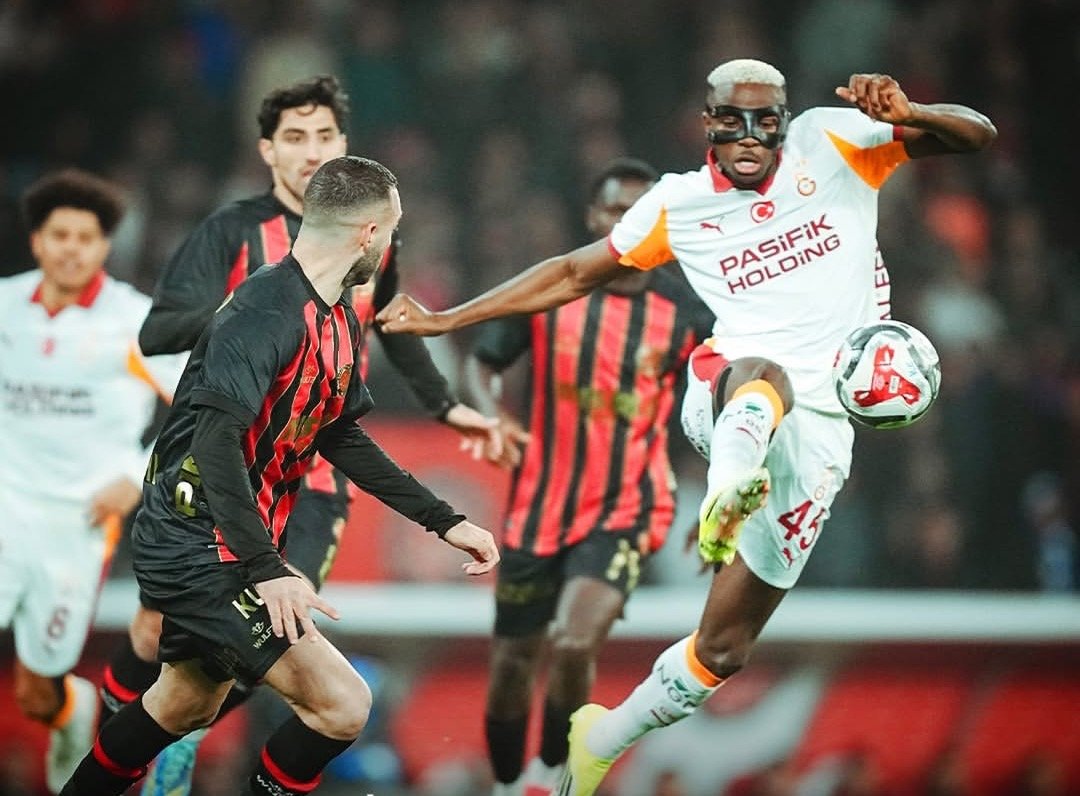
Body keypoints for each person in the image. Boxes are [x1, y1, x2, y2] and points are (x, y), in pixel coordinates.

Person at [376, 61, 997, 796]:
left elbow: (976, 136)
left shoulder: (834, 142)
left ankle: (601, 741)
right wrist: (451, 316)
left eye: (764, 118)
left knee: (724, 650)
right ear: (707, 122)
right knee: (763, 375)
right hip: (728, 391)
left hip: (829, 429)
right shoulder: (678, 204)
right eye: (731, 118)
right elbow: (572, 274)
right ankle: (730, 488)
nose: (748, 134)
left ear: (784, 117)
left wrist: (912, 109)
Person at [99, 75, 497, 795]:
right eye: (395, 226)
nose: (397, 240)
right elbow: (216, 445)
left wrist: (446, 521)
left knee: (184, 702)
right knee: (344, 705)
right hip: (196, 537)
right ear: (369, 232)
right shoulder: (260, 309)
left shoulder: (341, 314)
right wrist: (266, 568)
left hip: (240, 532)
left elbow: (341, 436)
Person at [469, 158, 713, 796]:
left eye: (642, 210)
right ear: (593, 217)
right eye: (614, 209)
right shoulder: (556, 287)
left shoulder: (686, 308)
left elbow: (728, 391)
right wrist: (490, 411)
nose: (626, 220)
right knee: (512, 663)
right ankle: (506, 784)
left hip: (628, 505)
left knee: (575, 644)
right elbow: (484, 362)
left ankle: (553, 777)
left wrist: (726, 488)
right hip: (537, 506)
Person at [0, 169, 186, 793]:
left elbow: (198, 408)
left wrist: (136, 476)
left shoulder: (136, 321)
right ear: (37, 242)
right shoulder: (4, 305)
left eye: (87, 236)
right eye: (60, 234)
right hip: (5, 503)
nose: (72, 247)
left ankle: (71, 712)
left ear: (105, 245)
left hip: (78, 524)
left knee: (34, 691)